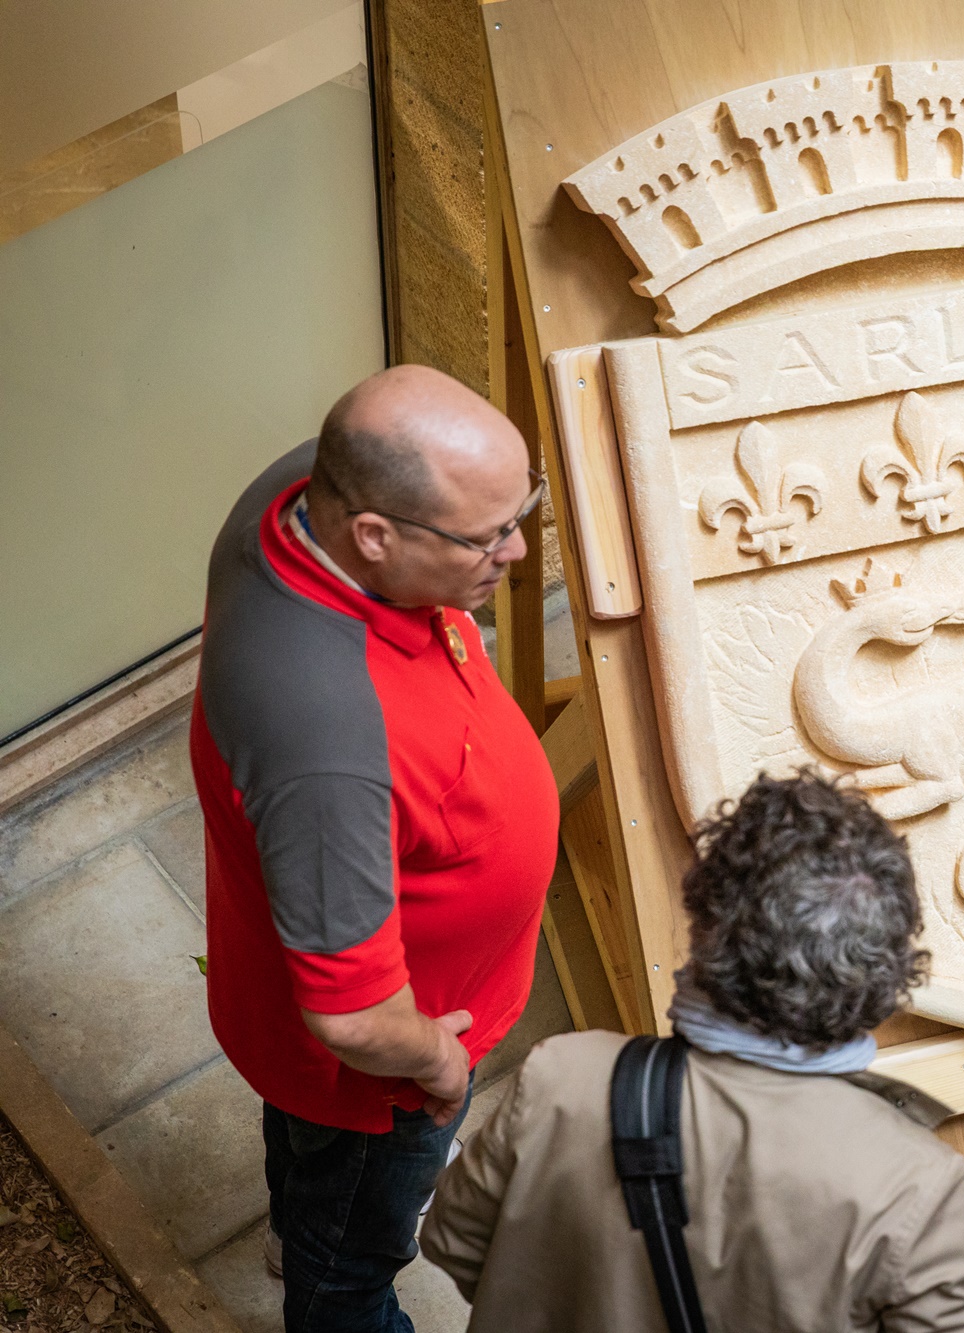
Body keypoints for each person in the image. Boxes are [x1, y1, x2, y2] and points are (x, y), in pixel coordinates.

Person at [191, 364, 559, 1331]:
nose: (517, 549)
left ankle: (297, 1224)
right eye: (488, 536)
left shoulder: (301, 492)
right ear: (374, 535)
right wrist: (439, 1062)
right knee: (349, 1265)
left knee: (310, 1173)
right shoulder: (328, 742)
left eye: (521, 510)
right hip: (375, 1084)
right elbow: (353, 1015)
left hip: (301, 995)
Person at [419, 770, 964, 1333]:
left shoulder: (561, 1076)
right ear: (888, 967)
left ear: (704, 924)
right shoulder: (915, 1186)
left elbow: (451, 1242)